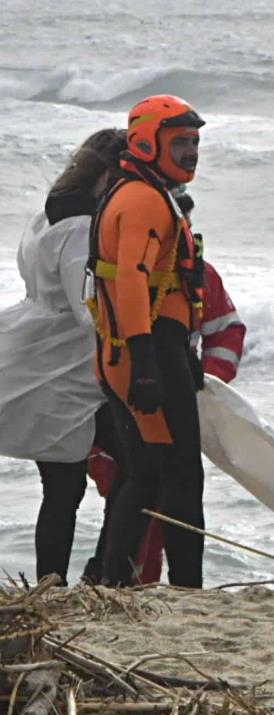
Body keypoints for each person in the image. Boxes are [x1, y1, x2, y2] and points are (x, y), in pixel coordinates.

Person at [89, 188, 247, 584]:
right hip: (132, 386)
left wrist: (207, 381)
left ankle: (154, 584)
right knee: (143, 482)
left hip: (173, 386)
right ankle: (118, 580)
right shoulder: (133, 270)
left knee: (161, 484)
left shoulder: (199, 275)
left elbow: (226, 331)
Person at [90, 94, 208, 588]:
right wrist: (146, 364)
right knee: (176, 475)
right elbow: (133, 280)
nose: (191, 152)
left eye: (195, 142)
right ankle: (184, 589)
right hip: (145, 350)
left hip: (150, 348)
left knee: (150, 472)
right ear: (144, 141)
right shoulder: (140, 199)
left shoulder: (148, 192)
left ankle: (113, 579)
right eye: (179, 142)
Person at [0, 129, 126, 586]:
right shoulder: (80, 226)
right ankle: (94, 574)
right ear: (110, 175)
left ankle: (55, 583)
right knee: (128, 468)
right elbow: (85, 308)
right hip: (65, 367)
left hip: (33, 352)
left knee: (62, 486)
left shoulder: (45, 216)